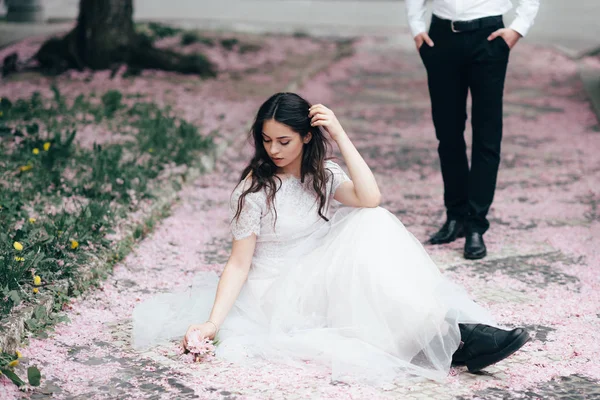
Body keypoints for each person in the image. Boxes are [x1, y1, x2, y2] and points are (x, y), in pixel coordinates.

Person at [132, 93, 530, 384]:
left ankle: (459, 336)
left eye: (284, 141)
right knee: (365, 248)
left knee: (373, 221)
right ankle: (463, 339)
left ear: (307, 136)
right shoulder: (253, 190)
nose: (273, 150)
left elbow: (371, 198)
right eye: (267, 140)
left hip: (321, 270)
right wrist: (213, 322)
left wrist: (340, 134)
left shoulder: (322, 173)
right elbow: (238, 263)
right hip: (279, 291)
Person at [406, 0, 540, 259]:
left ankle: (476, 224)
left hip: (488, 37)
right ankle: (455, 217)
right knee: (448, 133)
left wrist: (518, 28)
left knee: (486, 135)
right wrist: (416, 27)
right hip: (441, 38)